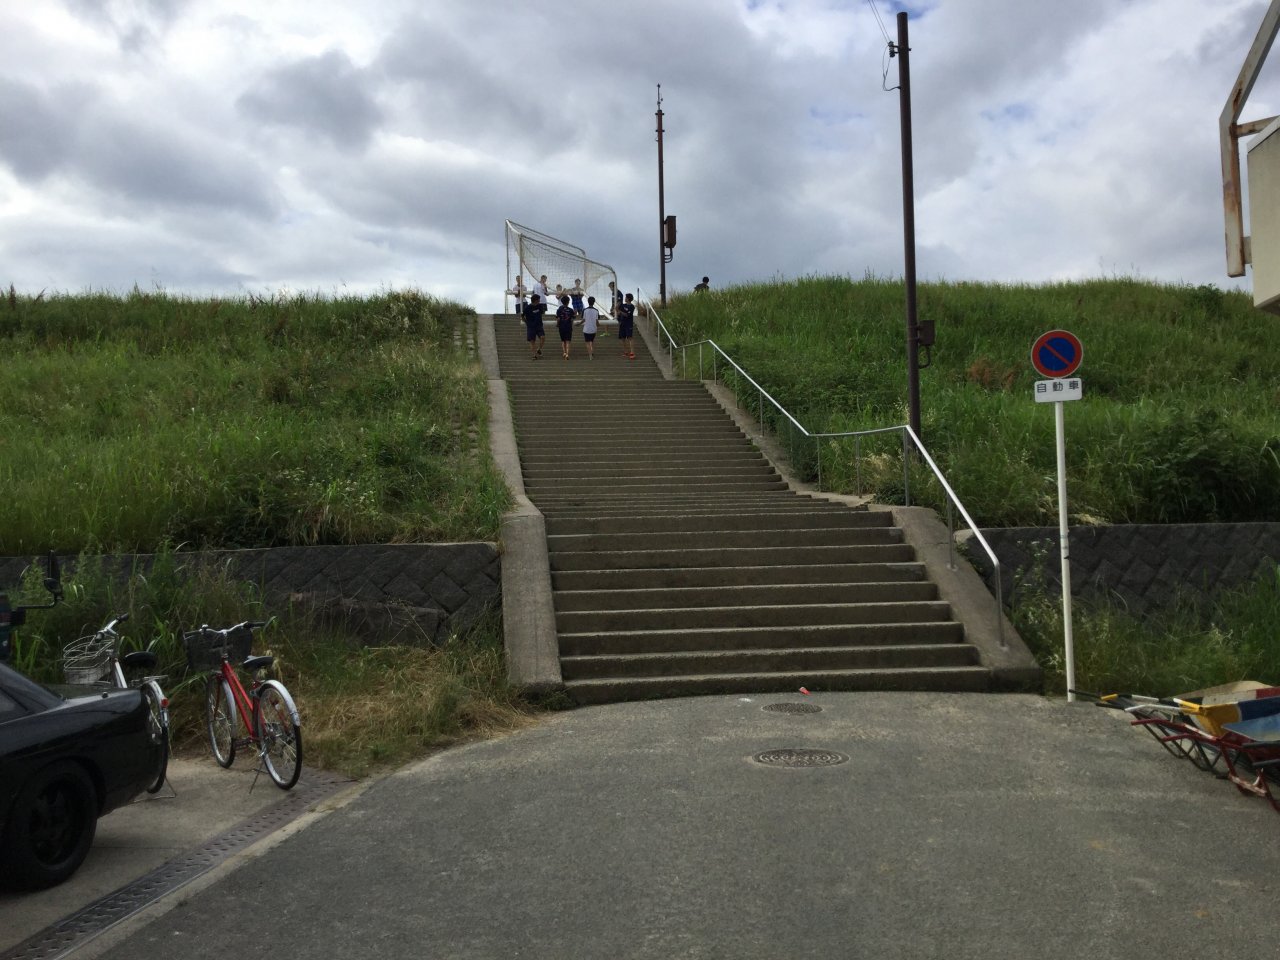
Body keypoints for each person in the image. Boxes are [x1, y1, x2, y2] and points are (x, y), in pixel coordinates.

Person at [523, 293, 547, 359]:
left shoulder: (540, 306)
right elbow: (522, 316)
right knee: (532, 341)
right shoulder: (527, 307)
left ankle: (539, 349)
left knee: (543, 337)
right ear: (535, 300)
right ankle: (534, 355)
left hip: (539, 325)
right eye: (538, 299)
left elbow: (542, 312)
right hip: (531, 327)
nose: (539, 300)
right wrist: (527, 322)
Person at [556, 295, 575, 359]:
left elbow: (558, 319)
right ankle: (567, 354)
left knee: (563, 340)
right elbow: (572, 319)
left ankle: (564, 352)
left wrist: (557, 324)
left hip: (561, 327)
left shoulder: (559, 310)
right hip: (568, 327)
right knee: (568, 341)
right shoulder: (571, 310)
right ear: (568, 302)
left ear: (562, 301)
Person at [618, 292, 636, 360]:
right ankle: (625, 352)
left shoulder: (632, 306)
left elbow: (626, 315)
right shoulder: (623, 305)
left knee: (630, 337)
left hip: (628, 324)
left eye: (626, 297)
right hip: (622, 323)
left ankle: (632, 352)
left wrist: (620, 311)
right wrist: (617, 308)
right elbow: (617, 310)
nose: (625, 298)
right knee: (623, 338)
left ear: (628, 299)